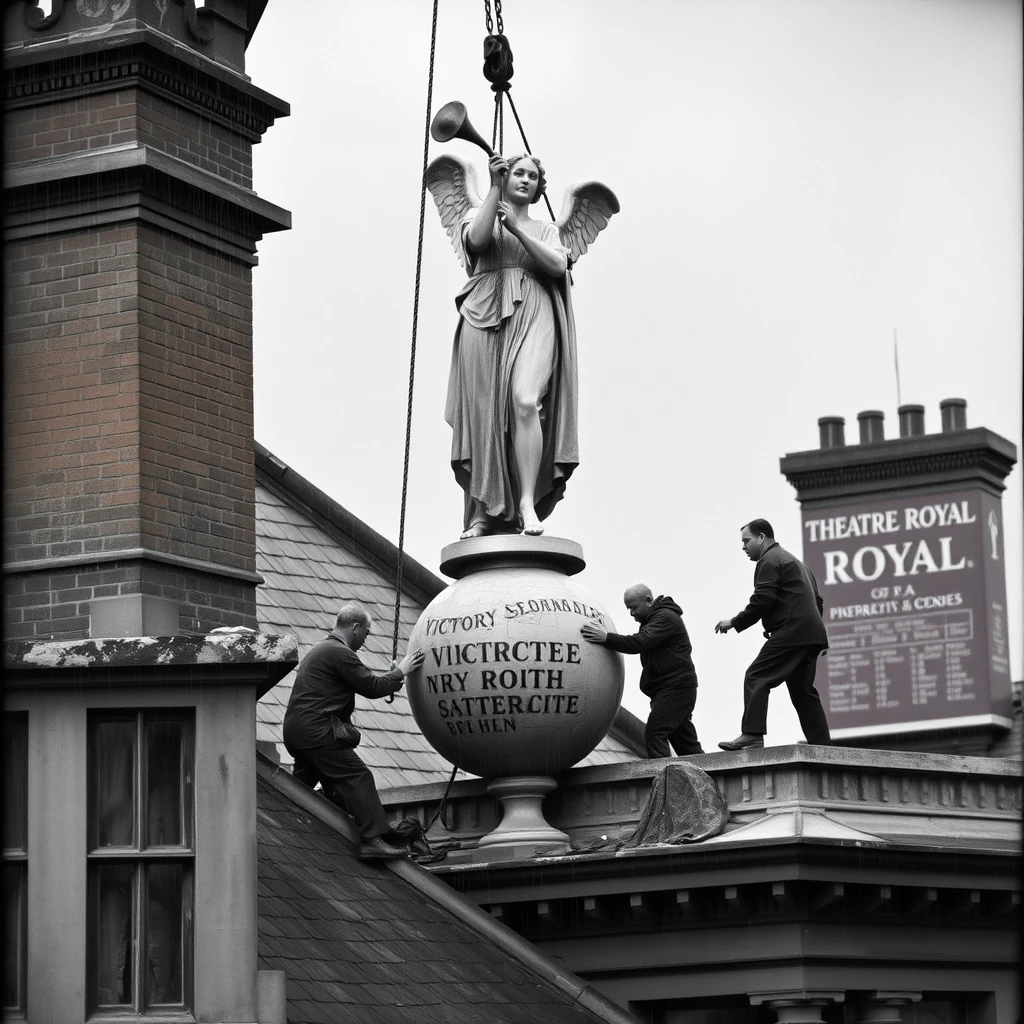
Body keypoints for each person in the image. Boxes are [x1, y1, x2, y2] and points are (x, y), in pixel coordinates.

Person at [446, 153, 578, 538]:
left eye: (532, 176)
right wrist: (491, 190)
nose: (525, 180)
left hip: (534, 311)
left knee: (524, 401)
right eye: (517, 173)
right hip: (483, 311)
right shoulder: (480, 212)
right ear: (504, 177)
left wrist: (519, 231)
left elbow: (557, 267)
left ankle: (525, 505)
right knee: (484, 416)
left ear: (539, 187)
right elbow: (477, 240)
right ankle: (484, 512)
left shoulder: (547, 229)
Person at [282, 603, 424, 861]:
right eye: (367, 634)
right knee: (358, 776)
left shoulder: (322, 650)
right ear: (356, 628)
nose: (365, 640)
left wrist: (393, 677)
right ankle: (371, 839)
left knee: (298, 791)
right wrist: (401, 670)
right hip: (317, 732)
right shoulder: (339, 652)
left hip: (297, 732)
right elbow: (371, 686)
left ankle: (283, 826)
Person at [714, 519, 831, 750]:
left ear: (761, 538)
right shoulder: (797, 563)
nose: (744, 547)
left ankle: (752, 734)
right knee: (803, 692)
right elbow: (818, 601)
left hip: (792, 630)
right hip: (810, 633)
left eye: (746, 541)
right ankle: (824, 747)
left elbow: (762, 600)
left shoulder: (769, 560)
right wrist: (817, 636)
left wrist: (734, 622)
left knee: (756, 676)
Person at [581, 584, 703, 758]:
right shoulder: (654, 620)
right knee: (686, 745)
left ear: (648, 601)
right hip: (672, 689)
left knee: (655, 732)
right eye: (628, 608)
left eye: (633, 607)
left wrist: (607, 638)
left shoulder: (666, 617)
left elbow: (639, 642)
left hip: (676, 688)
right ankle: (709, 775)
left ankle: (662, 777)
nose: (631, 613)